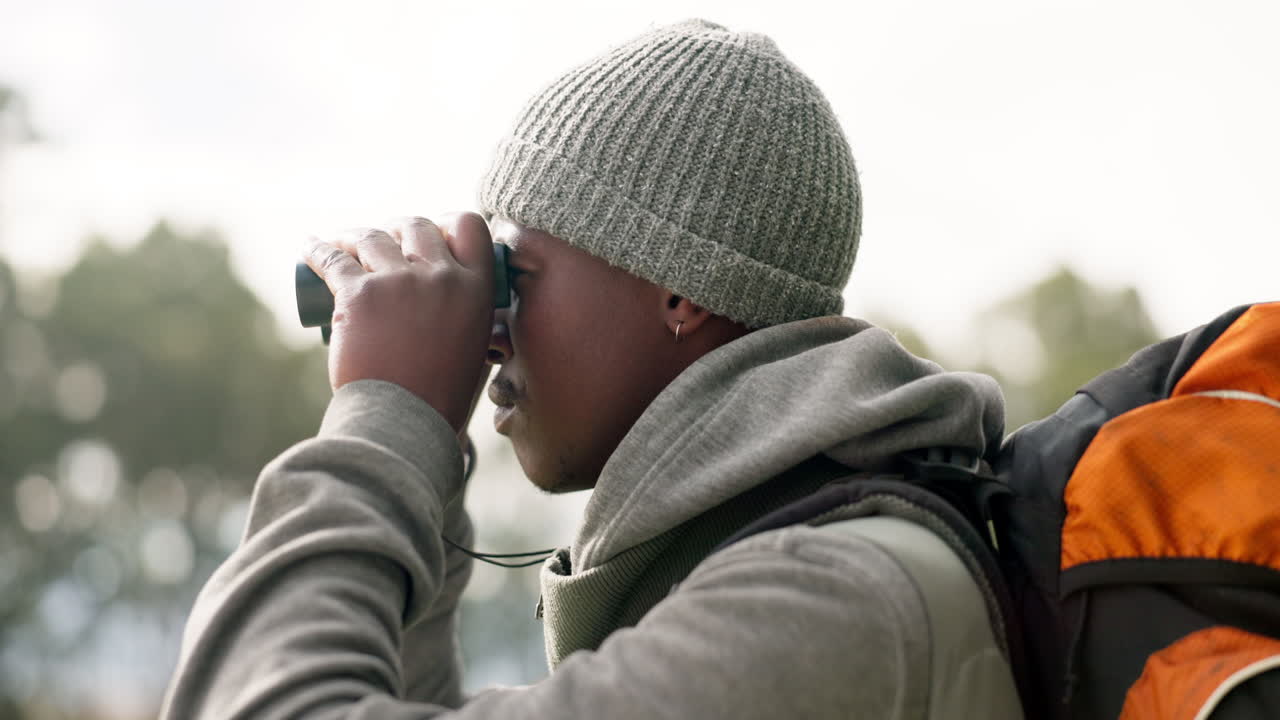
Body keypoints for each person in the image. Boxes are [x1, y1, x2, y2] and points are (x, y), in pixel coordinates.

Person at [161, 19, 1023, 719]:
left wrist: (385, 413)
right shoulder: (772, 555)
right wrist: (425, 463)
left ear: (682, 287)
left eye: (513, 275)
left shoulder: (830, 602)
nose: (487, 332)